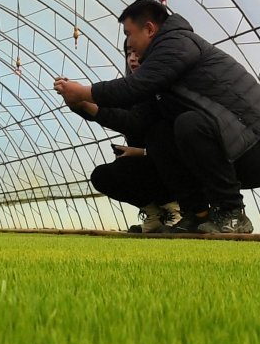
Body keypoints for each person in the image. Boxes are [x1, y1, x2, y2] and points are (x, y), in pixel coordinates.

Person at [53, 0, 260, 234]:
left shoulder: (177, 44)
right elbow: (138, 121)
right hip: (228, 146)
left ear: (150, 29)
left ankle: (232, 213)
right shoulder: (159, 70)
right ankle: (196, 214)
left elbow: (132, 89)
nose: (129, 43)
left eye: (129, 34)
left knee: (188, 123)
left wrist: (83, 91)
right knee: (158, 132)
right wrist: (83, 104)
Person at [57, 43, 180, 233]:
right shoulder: (130, 92)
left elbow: (133, 122)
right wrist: (78, 102)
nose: (132, 58)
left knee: (137, 163)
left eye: (137, 51)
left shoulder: (163, 89)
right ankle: (156, 215)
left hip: (175, 161)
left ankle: (177, 210)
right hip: (151, 160)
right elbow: (112, 110)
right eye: (129, 53)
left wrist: (142, 152)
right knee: (103, 176)